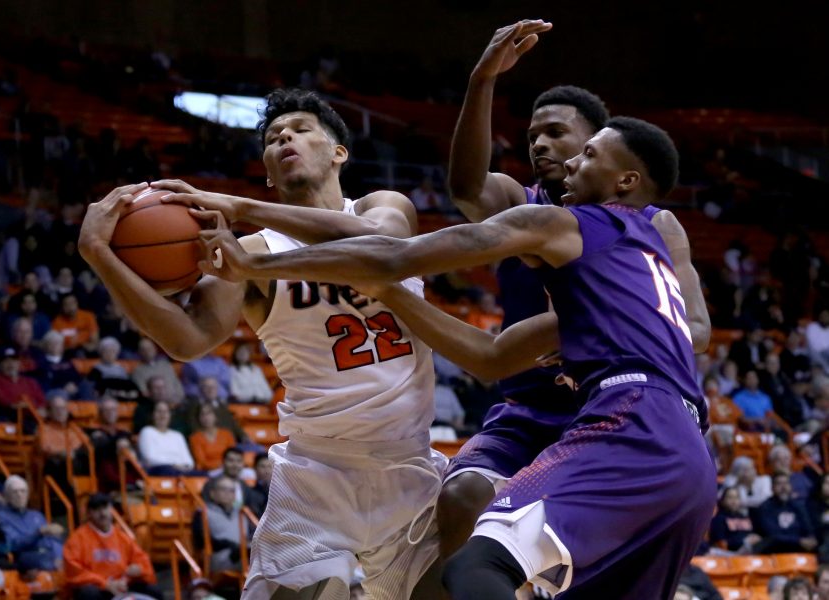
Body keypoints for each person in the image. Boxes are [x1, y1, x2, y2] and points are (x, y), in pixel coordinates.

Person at [207, 115, 717, 598]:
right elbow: (491, 357)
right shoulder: (644, 265)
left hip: (630, 420)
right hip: (692, 461)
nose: (569, 164)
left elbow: (397, 254)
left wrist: (255, 259)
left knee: (477, 565)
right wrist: (393, 295)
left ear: (625, 181)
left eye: (586, 154)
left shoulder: (566, 222)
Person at [79, 88, 445, 599]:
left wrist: (242, 205)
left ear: (339, 152)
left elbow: (375, 246)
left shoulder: (383, 207)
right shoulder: (249, 252)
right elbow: (188, 339)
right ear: (269, 173)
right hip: (317, 476)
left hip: (411, 464)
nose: (284, 138)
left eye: (299, 128)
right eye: (273, 138)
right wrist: (99, 254)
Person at [439, 19, 711, 561]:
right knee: (463, 495)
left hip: (617, 406)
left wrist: (591, 327)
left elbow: (697, 330)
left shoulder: (654, 223)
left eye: (557, 133)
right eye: (534, 134)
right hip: (532, 405)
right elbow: (466, 188)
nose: (540, 143)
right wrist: (482, 81)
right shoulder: (527, 205)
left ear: (599, 145)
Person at [63, 493, 160, 600]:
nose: (102, 513)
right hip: (97, 588)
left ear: (111, 509)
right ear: (89, 513)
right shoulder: (77, 539)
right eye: (96, 509)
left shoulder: (123, 537)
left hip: (121, 585)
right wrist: (105, 584)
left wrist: (139, 569)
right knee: (89, 593)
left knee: (154, 591)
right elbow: (75, 573)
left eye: (105, 507)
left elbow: (141, 560)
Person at [0, 475, 64, 572]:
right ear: (7, 496)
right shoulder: (1, 516)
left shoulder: (37, 515)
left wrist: (59, 556)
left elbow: (52, 539)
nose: (20, 495)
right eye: (15, 492)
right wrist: (39, 532)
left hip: (46, 553)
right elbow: (14, 544)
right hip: (25, 555)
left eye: (23, 491)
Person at [753, 473, 817, 554]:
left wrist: (811, 538)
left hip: (798, 546)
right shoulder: (765, 507)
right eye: (779, 483)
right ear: (772, 488)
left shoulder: (798, 506)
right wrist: (798, 541)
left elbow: (808, 528)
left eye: (786, 483)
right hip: (776, 548)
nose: (783, 487)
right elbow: (772, 534)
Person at [137, 400, 198, 476]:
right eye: (159, 411)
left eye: (166, 412)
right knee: (168, 471)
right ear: (152, 414)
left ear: (170, 415)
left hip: (179, 471)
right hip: (158, 471)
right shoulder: (147, 432)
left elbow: (189, 462)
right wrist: (174, 465)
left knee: (204, 475)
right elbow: (149, 459)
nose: (162, 415)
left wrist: (180, 466)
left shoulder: (178, 435)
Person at [709, 486, 760, 554]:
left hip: (748, 551)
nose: (734, 501)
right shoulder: (718, 519)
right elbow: (720, 542)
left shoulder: (744, 517)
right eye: (730, 497)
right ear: (722, 500)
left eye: (736, 497)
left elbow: (750, 534)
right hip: (727, 554)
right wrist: (744, 541)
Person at [189, 403, 237, 471]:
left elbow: (233, 456)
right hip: (207, 471)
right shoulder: (195, 438)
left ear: (215, 416)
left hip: (229, 469)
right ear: (199, 418)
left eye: (209, 413)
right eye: (202, 414)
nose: (206, 417)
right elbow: (202, 462)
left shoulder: (227, 434)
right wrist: (220, 466)